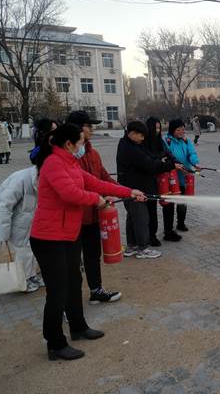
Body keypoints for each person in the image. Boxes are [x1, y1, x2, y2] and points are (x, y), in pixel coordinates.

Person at [30, 123, 146, 361]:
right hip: (49, 238)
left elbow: (96, 182)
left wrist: (128, 191)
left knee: (74, 282)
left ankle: (78, 327)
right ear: (69, 144)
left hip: (68, 234)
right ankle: (55, 343)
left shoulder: (70, 163)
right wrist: (97, 200)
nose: (84, 145)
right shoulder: (53, 163)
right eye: (81, 142)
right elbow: (70, 193)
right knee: (58, 291)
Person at [67, 110, 121, 304]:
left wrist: (127, 191)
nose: (92, 129)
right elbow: (74, 189)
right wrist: (97, 197)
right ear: (77, 129)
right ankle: (68, 303)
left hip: (93, 216)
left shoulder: (93, 153)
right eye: (88, 126)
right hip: (73, 218)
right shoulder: (67, 156)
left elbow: (103, 178)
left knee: (92, 254)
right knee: (71, 261)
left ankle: (96, 290)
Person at [117, 121, 175, 258]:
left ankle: (132, 246)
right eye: (141, 136)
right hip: (134, 188)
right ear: (132, 134)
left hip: (132, 187)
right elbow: (149, 164)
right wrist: (169, 165)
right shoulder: (130, 148)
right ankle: (143, 248)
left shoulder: (130, 143)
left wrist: (161, 159)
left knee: (132, 217)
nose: (143, 139)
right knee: (141, 218)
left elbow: (148, 156)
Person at [0, 165, 44, 293]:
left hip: (25, 220)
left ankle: (31, 276)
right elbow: (3, 207)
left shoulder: (39, 178)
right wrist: (3, 233)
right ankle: (23, 280)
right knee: (23, 250)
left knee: (30, 249)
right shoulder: (21, 179)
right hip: (12, 221)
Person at [145, 117, 183, 245]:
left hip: (165, 177)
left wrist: (176, 162)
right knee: (151, 208)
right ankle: (151, 235)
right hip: (150, 179)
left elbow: (169, 154)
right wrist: (161, 160)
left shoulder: (160, 141)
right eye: (155, 128)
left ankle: (168, 231)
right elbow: (149, 159)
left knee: (169, 203)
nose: (157, 130)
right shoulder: (144, 142)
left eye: (159, 128)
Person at [165, 119, 200, 235]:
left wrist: (195, 163)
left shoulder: (186, 141)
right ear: (172, 130)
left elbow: (192, 154)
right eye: (178, 130)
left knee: (183, 201)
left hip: (184, 176)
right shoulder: (167, 141)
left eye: (183, 129)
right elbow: (166, 157)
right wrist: (175, 166)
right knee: (170, 204)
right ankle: (168, 228)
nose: (181, 132)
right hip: (171, 178)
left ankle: (181, 223)